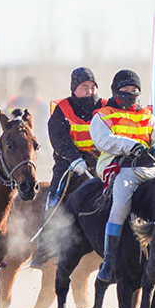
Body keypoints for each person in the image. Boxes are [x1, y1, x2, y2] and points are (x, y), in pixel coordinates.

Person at [90, 69, 155, 283]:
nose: (130, 94)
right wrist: (131, 146)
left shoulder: (147, 115)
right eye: (125, 90)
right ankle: (109, 260)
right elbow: (103, 139)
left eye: (134, 91)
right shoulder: (103, 114)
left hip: (151, 166)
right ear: (115, 91)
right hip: (122, 166)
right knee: (120, 206)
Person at [46, 67, 106, 207]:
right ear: (74, 89)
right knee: (55, 197)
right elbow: (58, 138)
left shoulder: (105, 107)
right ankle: (48, 222)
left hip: (101, 160)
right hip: (69, 163)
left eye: (92, 87)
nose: (89, 91)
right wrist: (74, 159)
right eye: (84, 86)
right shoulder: (62, 108)